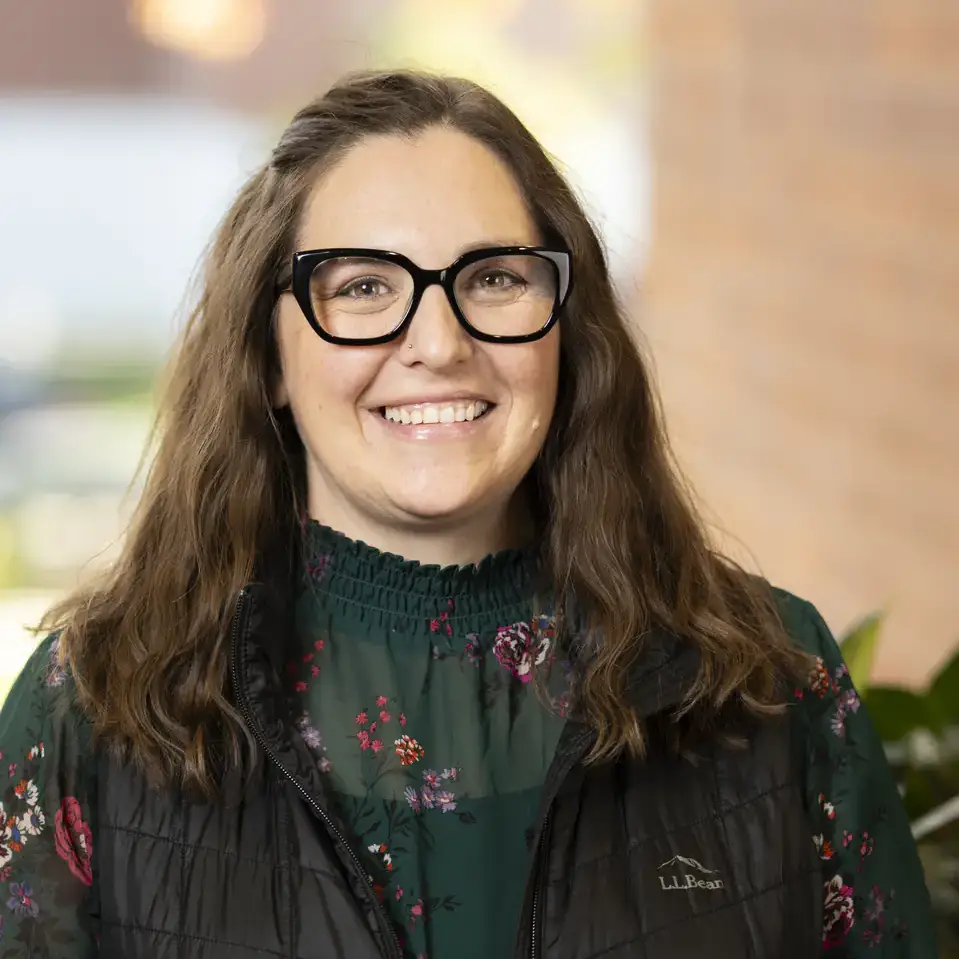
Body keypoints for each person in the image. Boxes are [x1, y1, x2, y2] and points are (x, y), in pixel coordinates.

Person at [0, 69, 936, 959]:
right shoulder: (91, 709)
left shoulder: (774, 685)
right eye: (363, 286)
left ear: (569, 329)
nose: (438, 343)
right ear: (269, 358)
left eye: (494, 277)